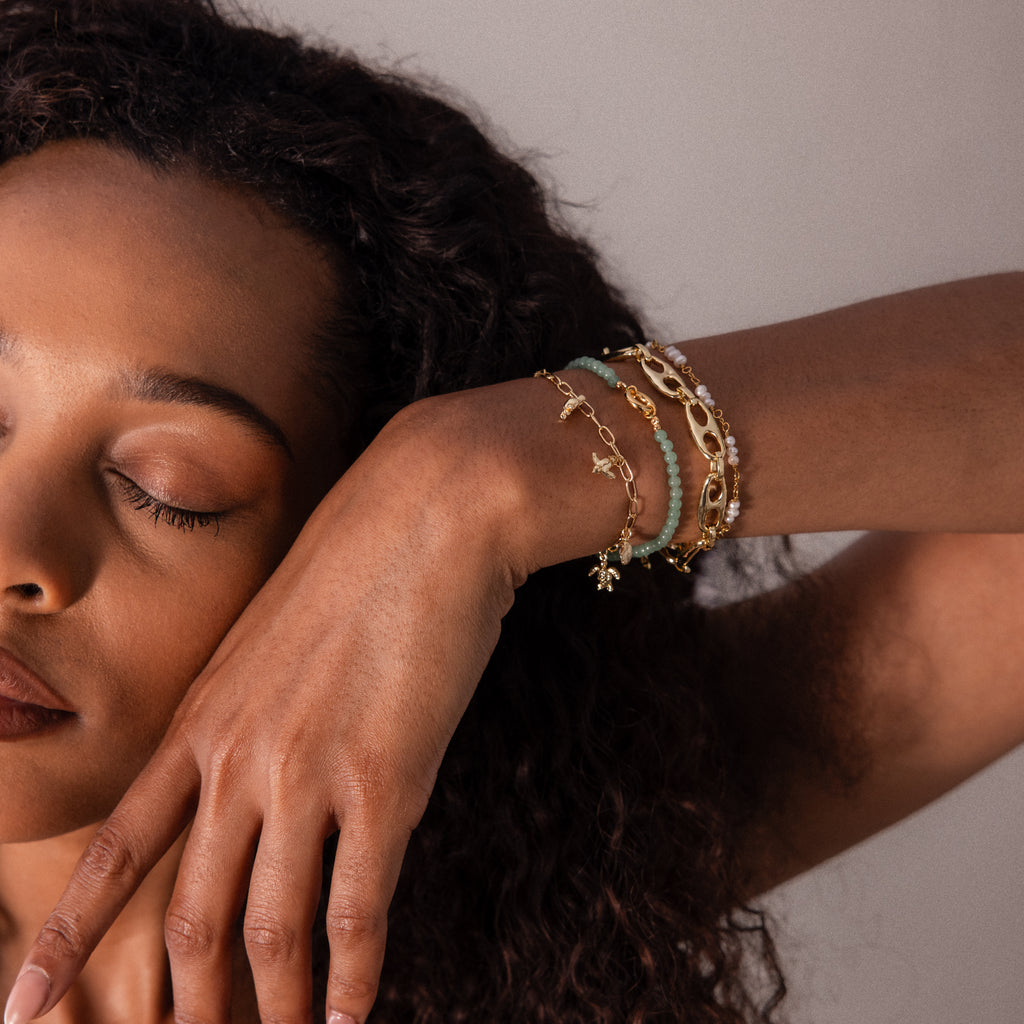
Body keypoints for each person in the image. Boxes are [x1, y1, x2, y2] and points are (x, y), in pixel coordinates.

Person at [0, 1, 1022, 1022]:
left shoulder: (559, 846)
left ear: (338, 545)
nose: (13, 546)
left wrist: (474, 484)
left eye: (169, 488)